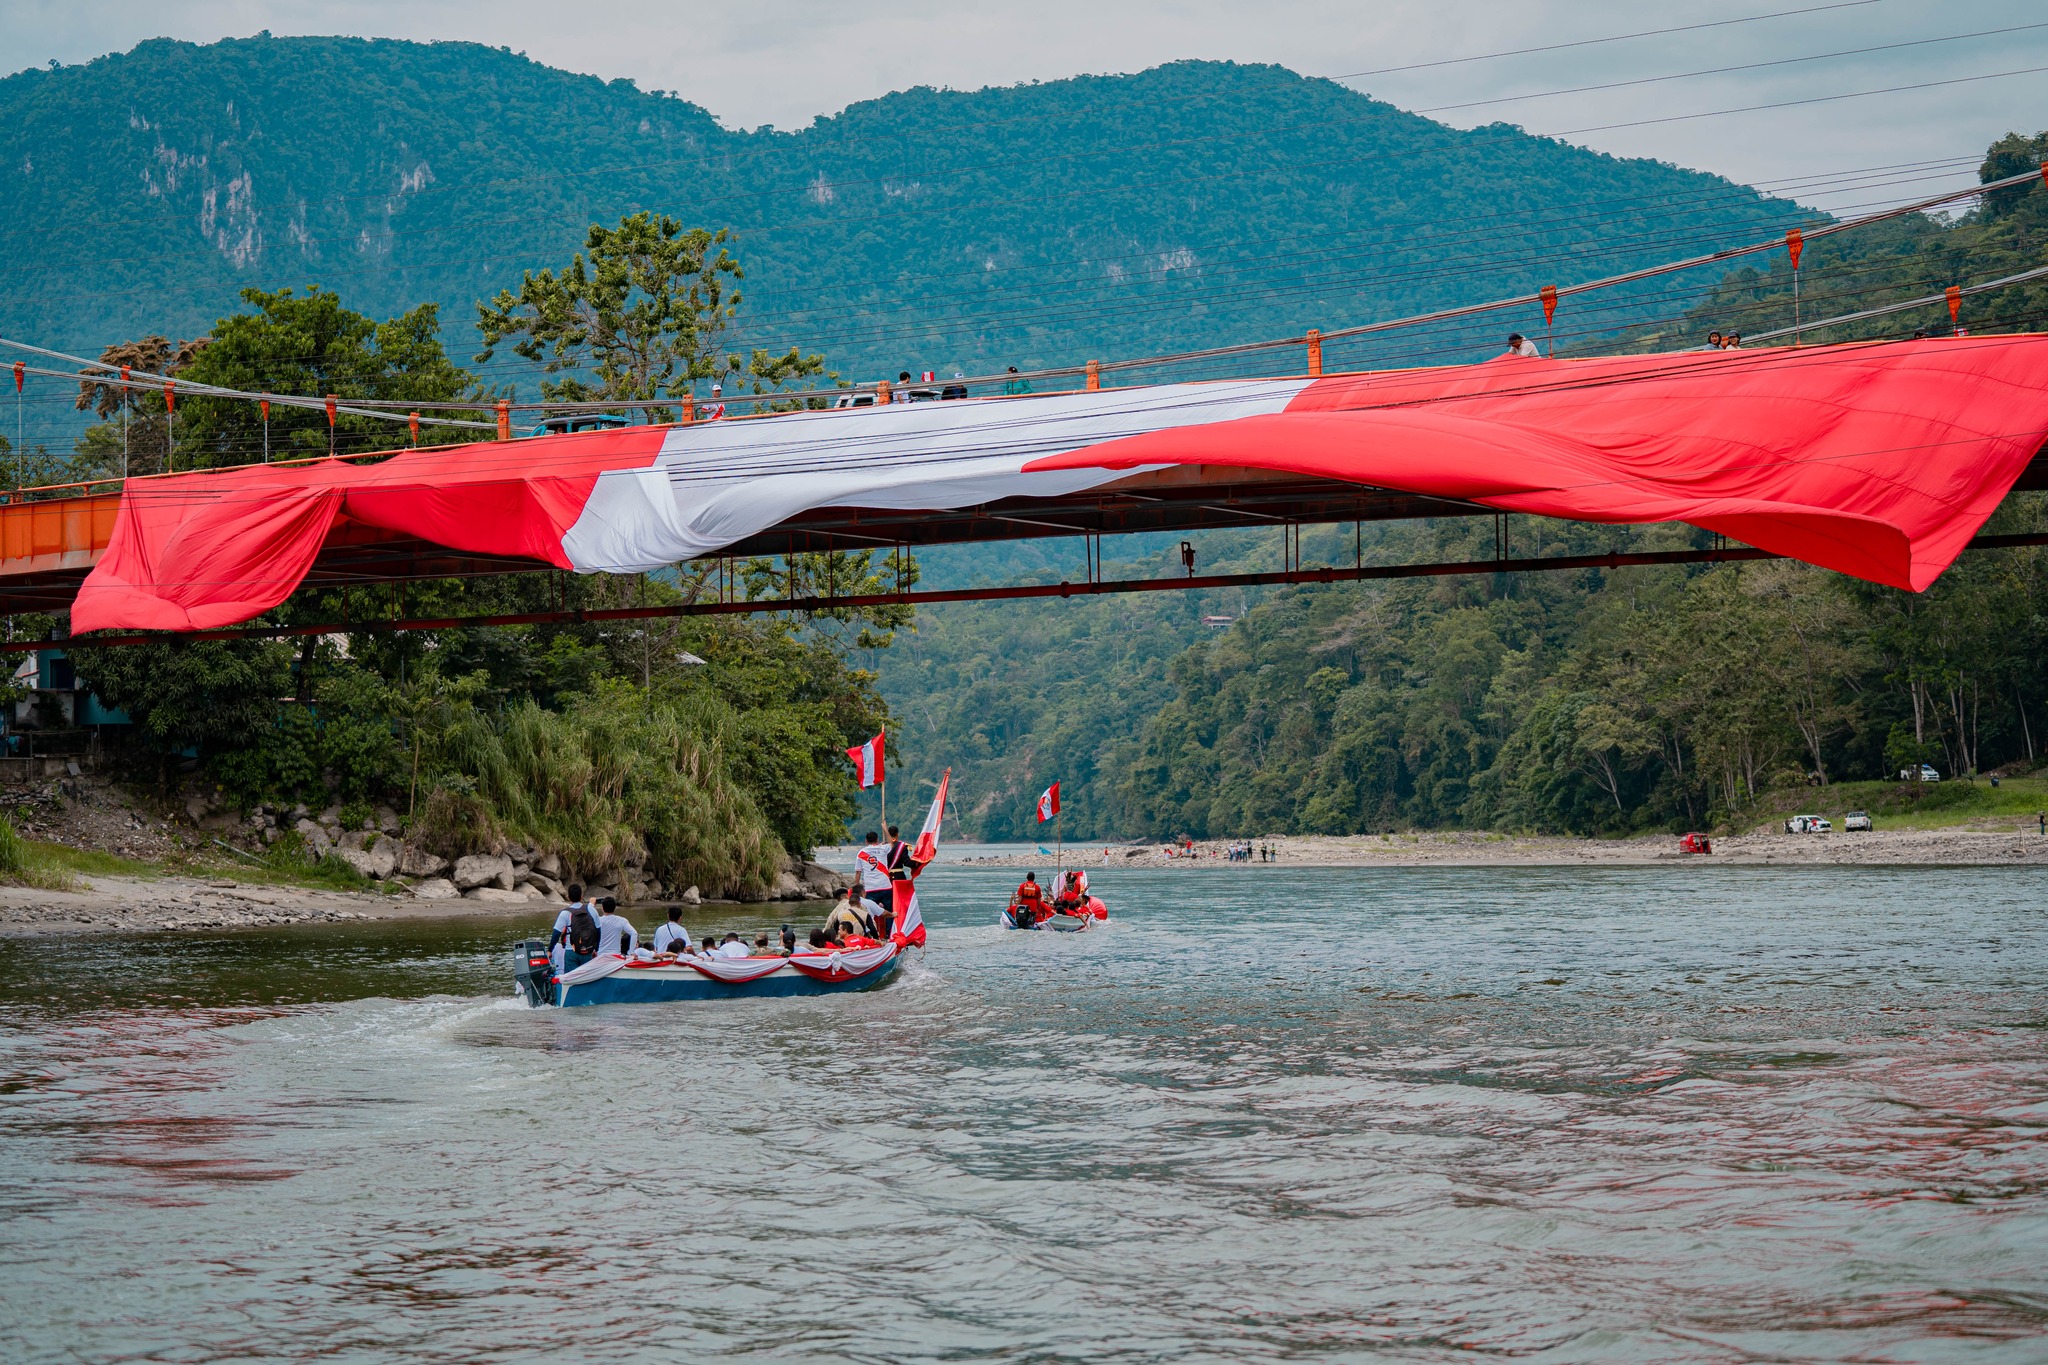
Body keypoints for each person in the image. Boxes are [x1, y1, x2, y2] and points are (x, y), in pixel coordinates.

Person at [855, 830, 893, 921]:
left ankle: (872, 932)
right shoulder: (883, 849)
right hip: (885, 886)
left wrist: (856, 888)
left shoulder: (861, 853)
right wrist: (885, 829)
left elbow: (858, 872)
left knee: (870, 913)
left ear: (866, 841)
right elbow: (891, 842)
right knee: (889, 912)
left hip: (870, 888)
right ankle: (889, 934)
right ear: (877, 839)